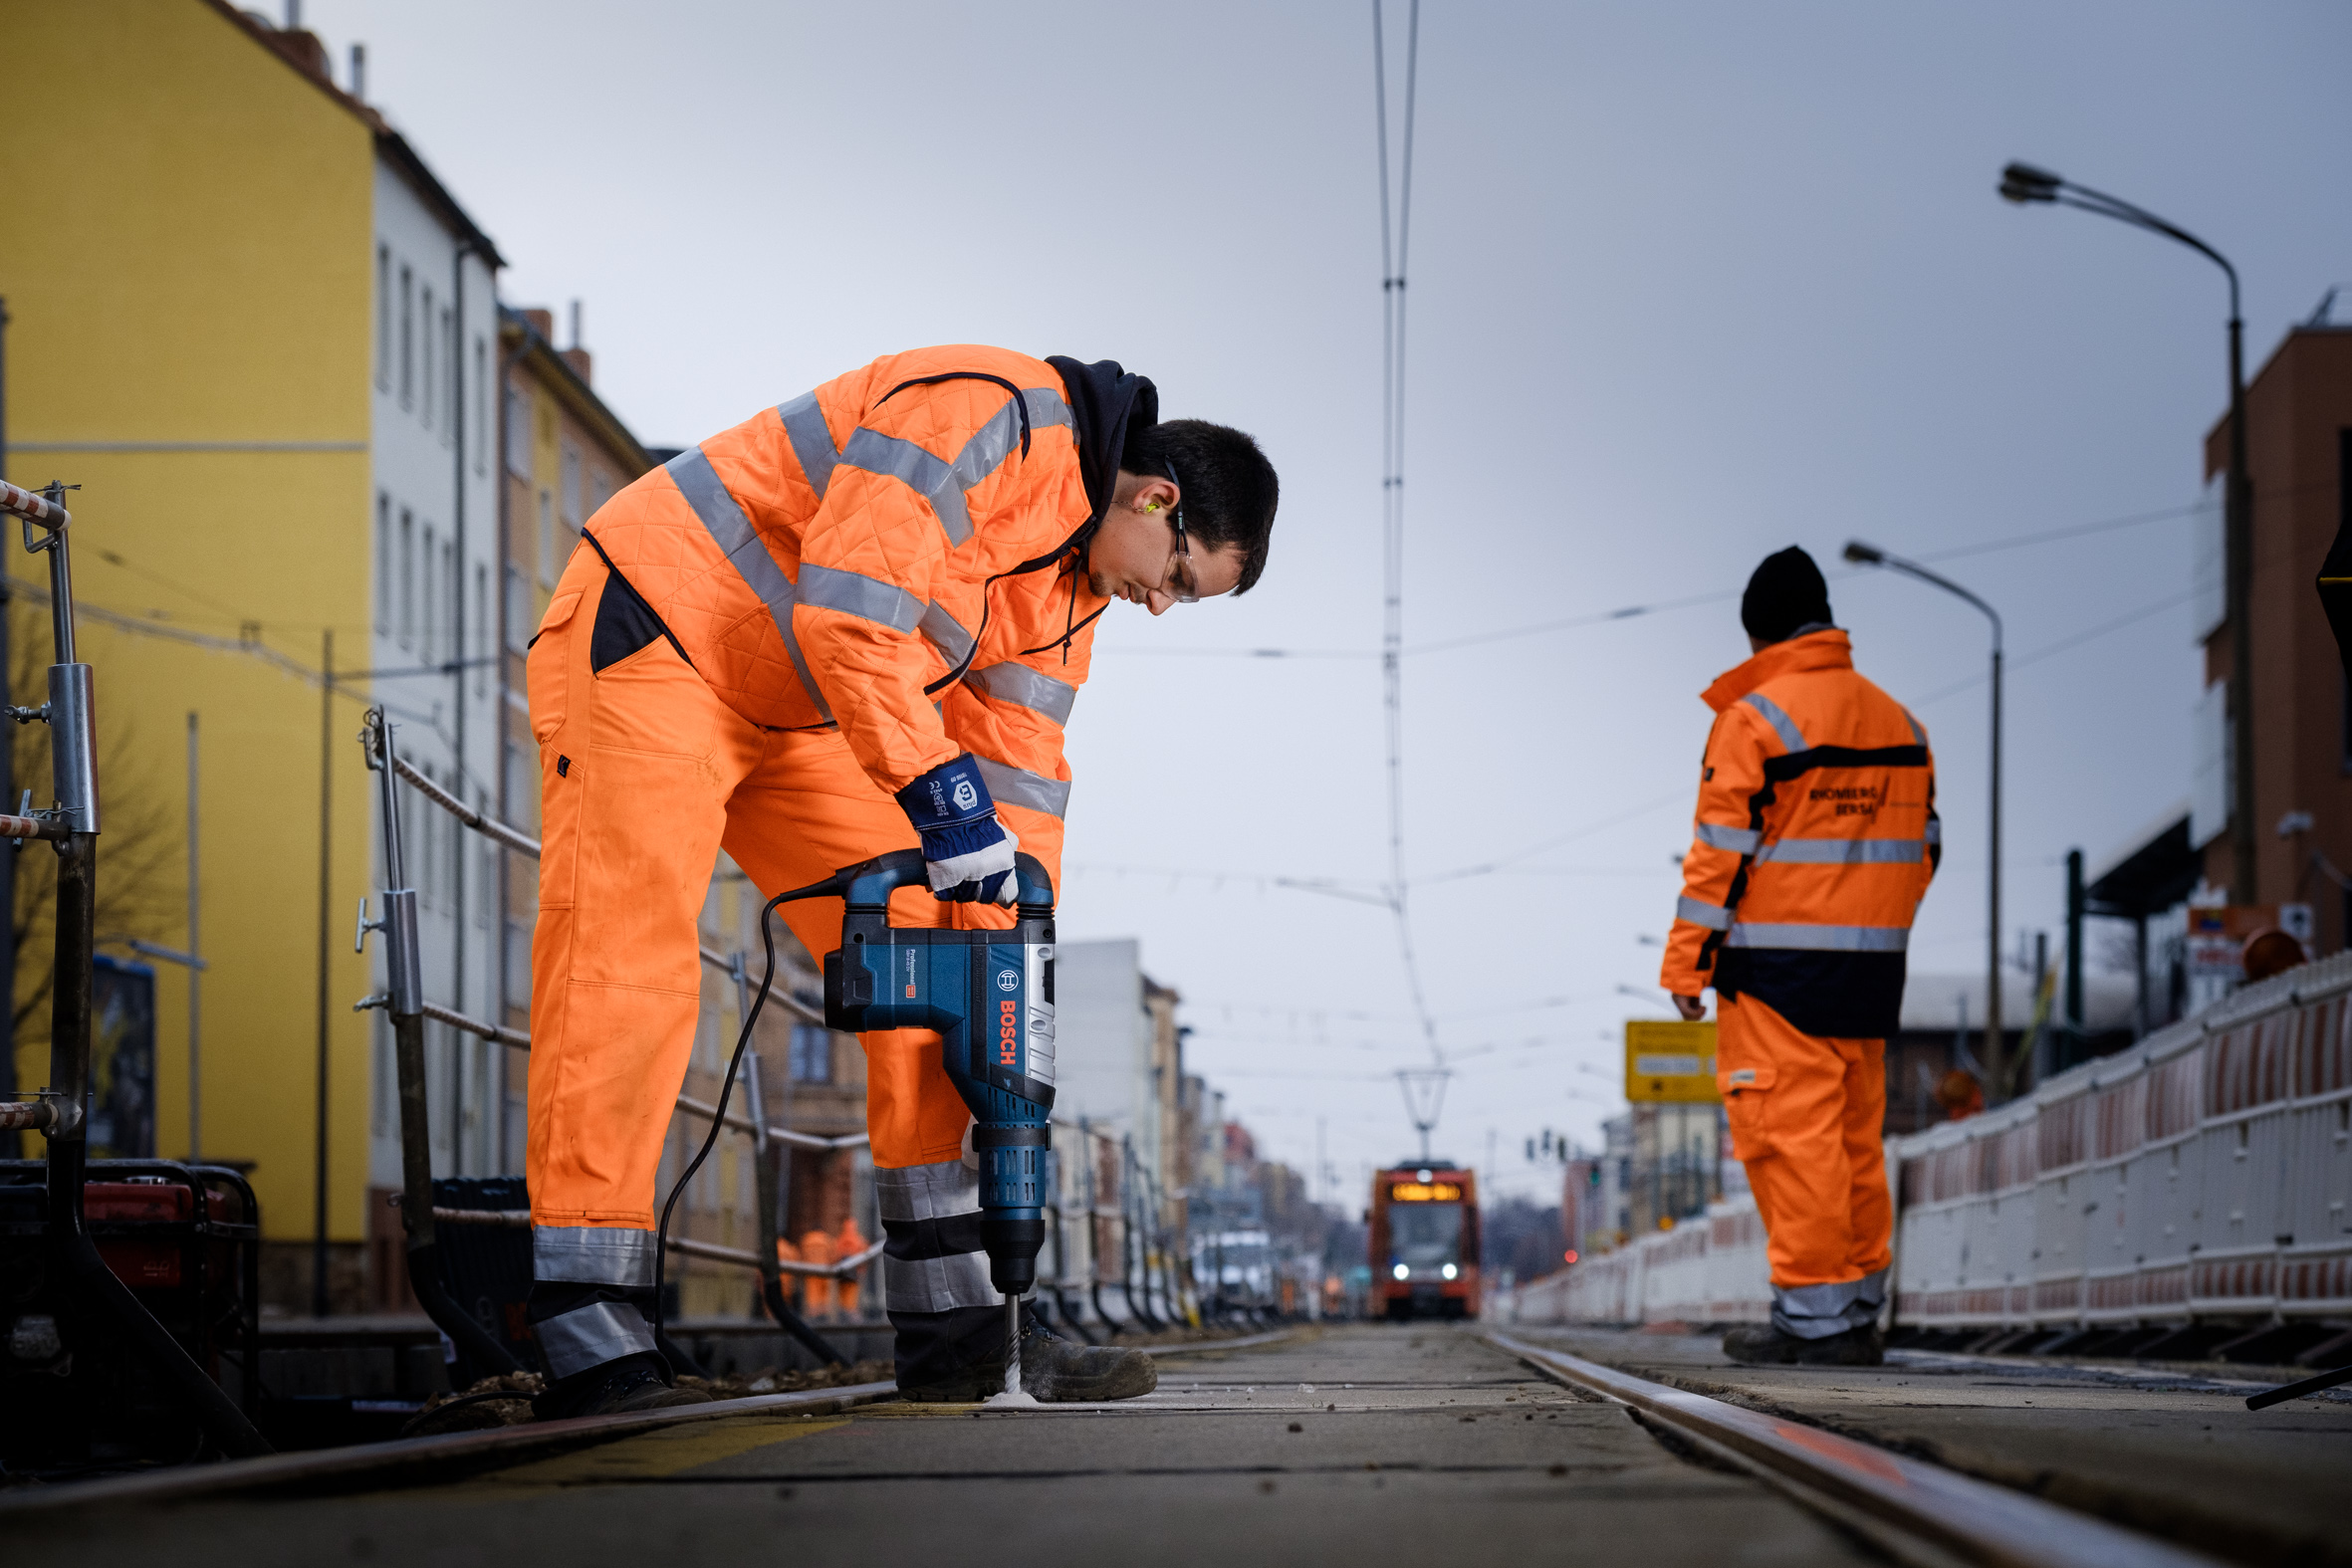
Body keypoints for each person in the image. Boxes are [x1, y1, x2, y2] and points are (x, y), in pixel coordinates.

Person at [523, 346, 1279, 1416]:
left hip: (799, 708)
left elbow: (1016, 777)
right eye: (1179, 579)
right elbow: (851, 615)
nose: (1159, 604)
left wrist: (1014, 953)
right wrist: (937, 797)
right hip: (661, 635)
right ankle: (588, 1333)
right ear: (1158, 500)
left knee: (941, 971)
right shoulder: (987, 414)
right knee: (628, 963)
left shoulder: (1071, 590)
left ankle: (965, 1328)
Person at [1661, 547, 1938, 1368]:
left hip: (1777, 974)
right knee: (1855, 1143)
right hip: (1870, 974)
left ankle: (1814, 1323)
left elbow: (1719, 854)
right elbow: (1924, 847)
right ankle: (1855, 1309)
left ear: (1759, 633)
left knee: (1794, 1141)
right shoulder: (1901, 722)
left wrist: (1687, 966)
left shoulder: (1756, 719)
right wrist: (1870, 924)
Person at [834, 1214, 866, 1319]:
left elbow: (835, 1255)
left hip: (842, 1274)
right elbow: (865, 1255)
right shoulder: (859, 1239)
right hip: (854, 1274)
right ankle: (851, 1316)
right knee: (852, 1297)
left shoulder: (840, 1239)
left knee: (843, 1297)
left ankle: (844, 1314)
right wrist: (862, 1269)